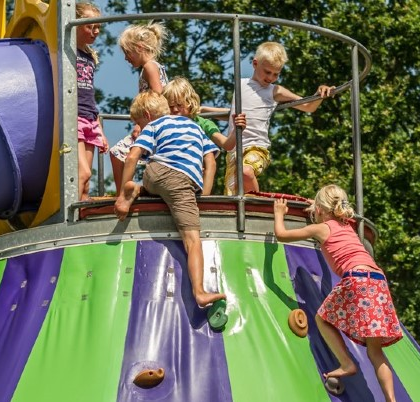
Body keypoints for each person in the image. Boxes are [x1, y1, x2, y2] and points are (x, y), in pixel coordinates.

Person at [273, 184, 402, 402]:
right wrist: (317, 205)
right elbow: (332, 213)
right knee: (375, 351)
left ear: (320, 210)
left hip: (356, 278)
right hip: (377, 280)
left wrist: (279, 213)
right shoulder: (346, 225)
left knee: (322, 319)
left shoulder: (321, 229)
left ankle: (347, 362)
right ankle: (391, 399)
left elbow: (282, 235)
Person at [114, 91, 226, 308]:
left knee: (157, 186)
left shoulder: (153, 126)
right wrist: (205, 195)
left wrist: (120, 192)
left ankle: (134, 190)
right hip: (181, 181)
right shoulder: (195, 127)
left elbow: (132, 156)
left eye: (139, 123)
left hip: (153, 174)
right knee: (192, 240)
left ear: (147, 115)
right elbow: (210, 161)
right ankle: (199, 292)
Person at [207, 41, 335, 195]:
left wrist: (320, 94)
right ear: (255, 64)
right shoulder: (240, 85)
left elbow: (308, 106)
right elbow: (231, 114)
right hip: (233, 150)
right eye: (267, 72)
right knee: (233, 196)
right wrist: (203, 110)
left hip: (256, 147)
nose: (271, 78)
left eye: (276, 74)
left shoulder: (275, 90)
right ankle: (248, 208)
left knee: (246, 172)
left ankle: (258, 202)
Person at [109, 22, 169, 194]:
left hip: (151, 122)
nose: (126, 58)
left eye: (127, 52)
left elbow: (157, 95)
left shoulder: (149, 67)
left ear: (139, 47)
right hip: (153, 122)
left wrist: (139, 125)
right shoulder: (154, 66)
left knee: (116, 153)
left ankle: (122, 193)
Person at [162, 76, 227, 194]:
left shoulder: (201, 124)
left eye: (179, 105)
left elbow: (225, 143)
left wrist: (204, 109)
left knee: (209, 158)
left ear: (190, 103)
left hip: (194, 173)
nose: (175, 109)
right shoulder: (164, 124)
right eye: (170, 107)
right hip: (169, 172)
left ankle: (205, 196)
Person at [75, 2, 108, 200]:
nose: (96, 31)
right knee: (83, 173)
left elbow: (90, 95)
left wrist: (99, 129)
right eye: (90, 26)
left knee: (87, 184)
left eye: (98, 27)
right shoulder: (67, 51)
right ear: (76, 24)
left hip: (89, 117)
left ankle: (80, 213)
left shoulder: (89, 55)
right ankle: (68, 217)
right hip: (74, 116)